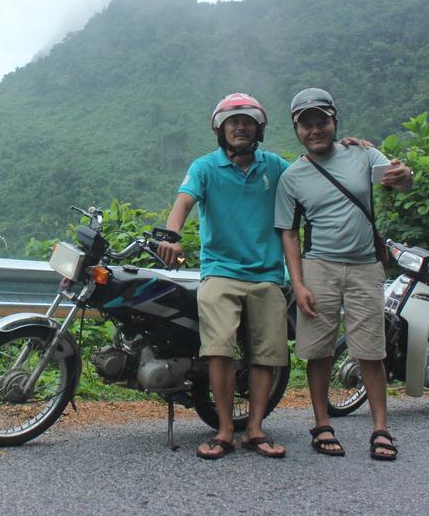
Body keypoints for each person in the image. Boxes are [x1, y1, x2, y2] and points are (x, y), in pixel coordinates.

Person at [274, 87, 413, 461]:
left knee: (371, 351)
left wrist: (404, 175)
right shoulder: (293, 176)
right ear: (296, 129)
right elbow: (288, 232)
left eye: (322, 122)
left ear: (335, 122)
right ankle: (322, 425)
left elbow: (399, 180)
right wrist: (298, 282)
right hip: (318, 267)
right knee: (318, 351)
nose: (315, 130)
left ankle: (380, 428)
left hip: (366, 265)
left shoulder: (363, 153)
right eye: (307, 124)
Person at [157, 92, 290, 460]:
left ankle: (256, 429)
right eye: (233, 122)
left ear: (259, 129)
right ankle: (225, 430)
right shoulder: (204, 168)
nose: (241, 127)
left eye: (248, 121)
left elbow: (311, 177)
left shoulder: (275, 166)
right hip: (221, 272)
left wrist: (348, 148)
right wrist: (172, 236)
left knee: (266, 354)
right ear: (221, 129)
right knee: (218, 350)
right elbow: (183, 202)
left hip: (267, 274)